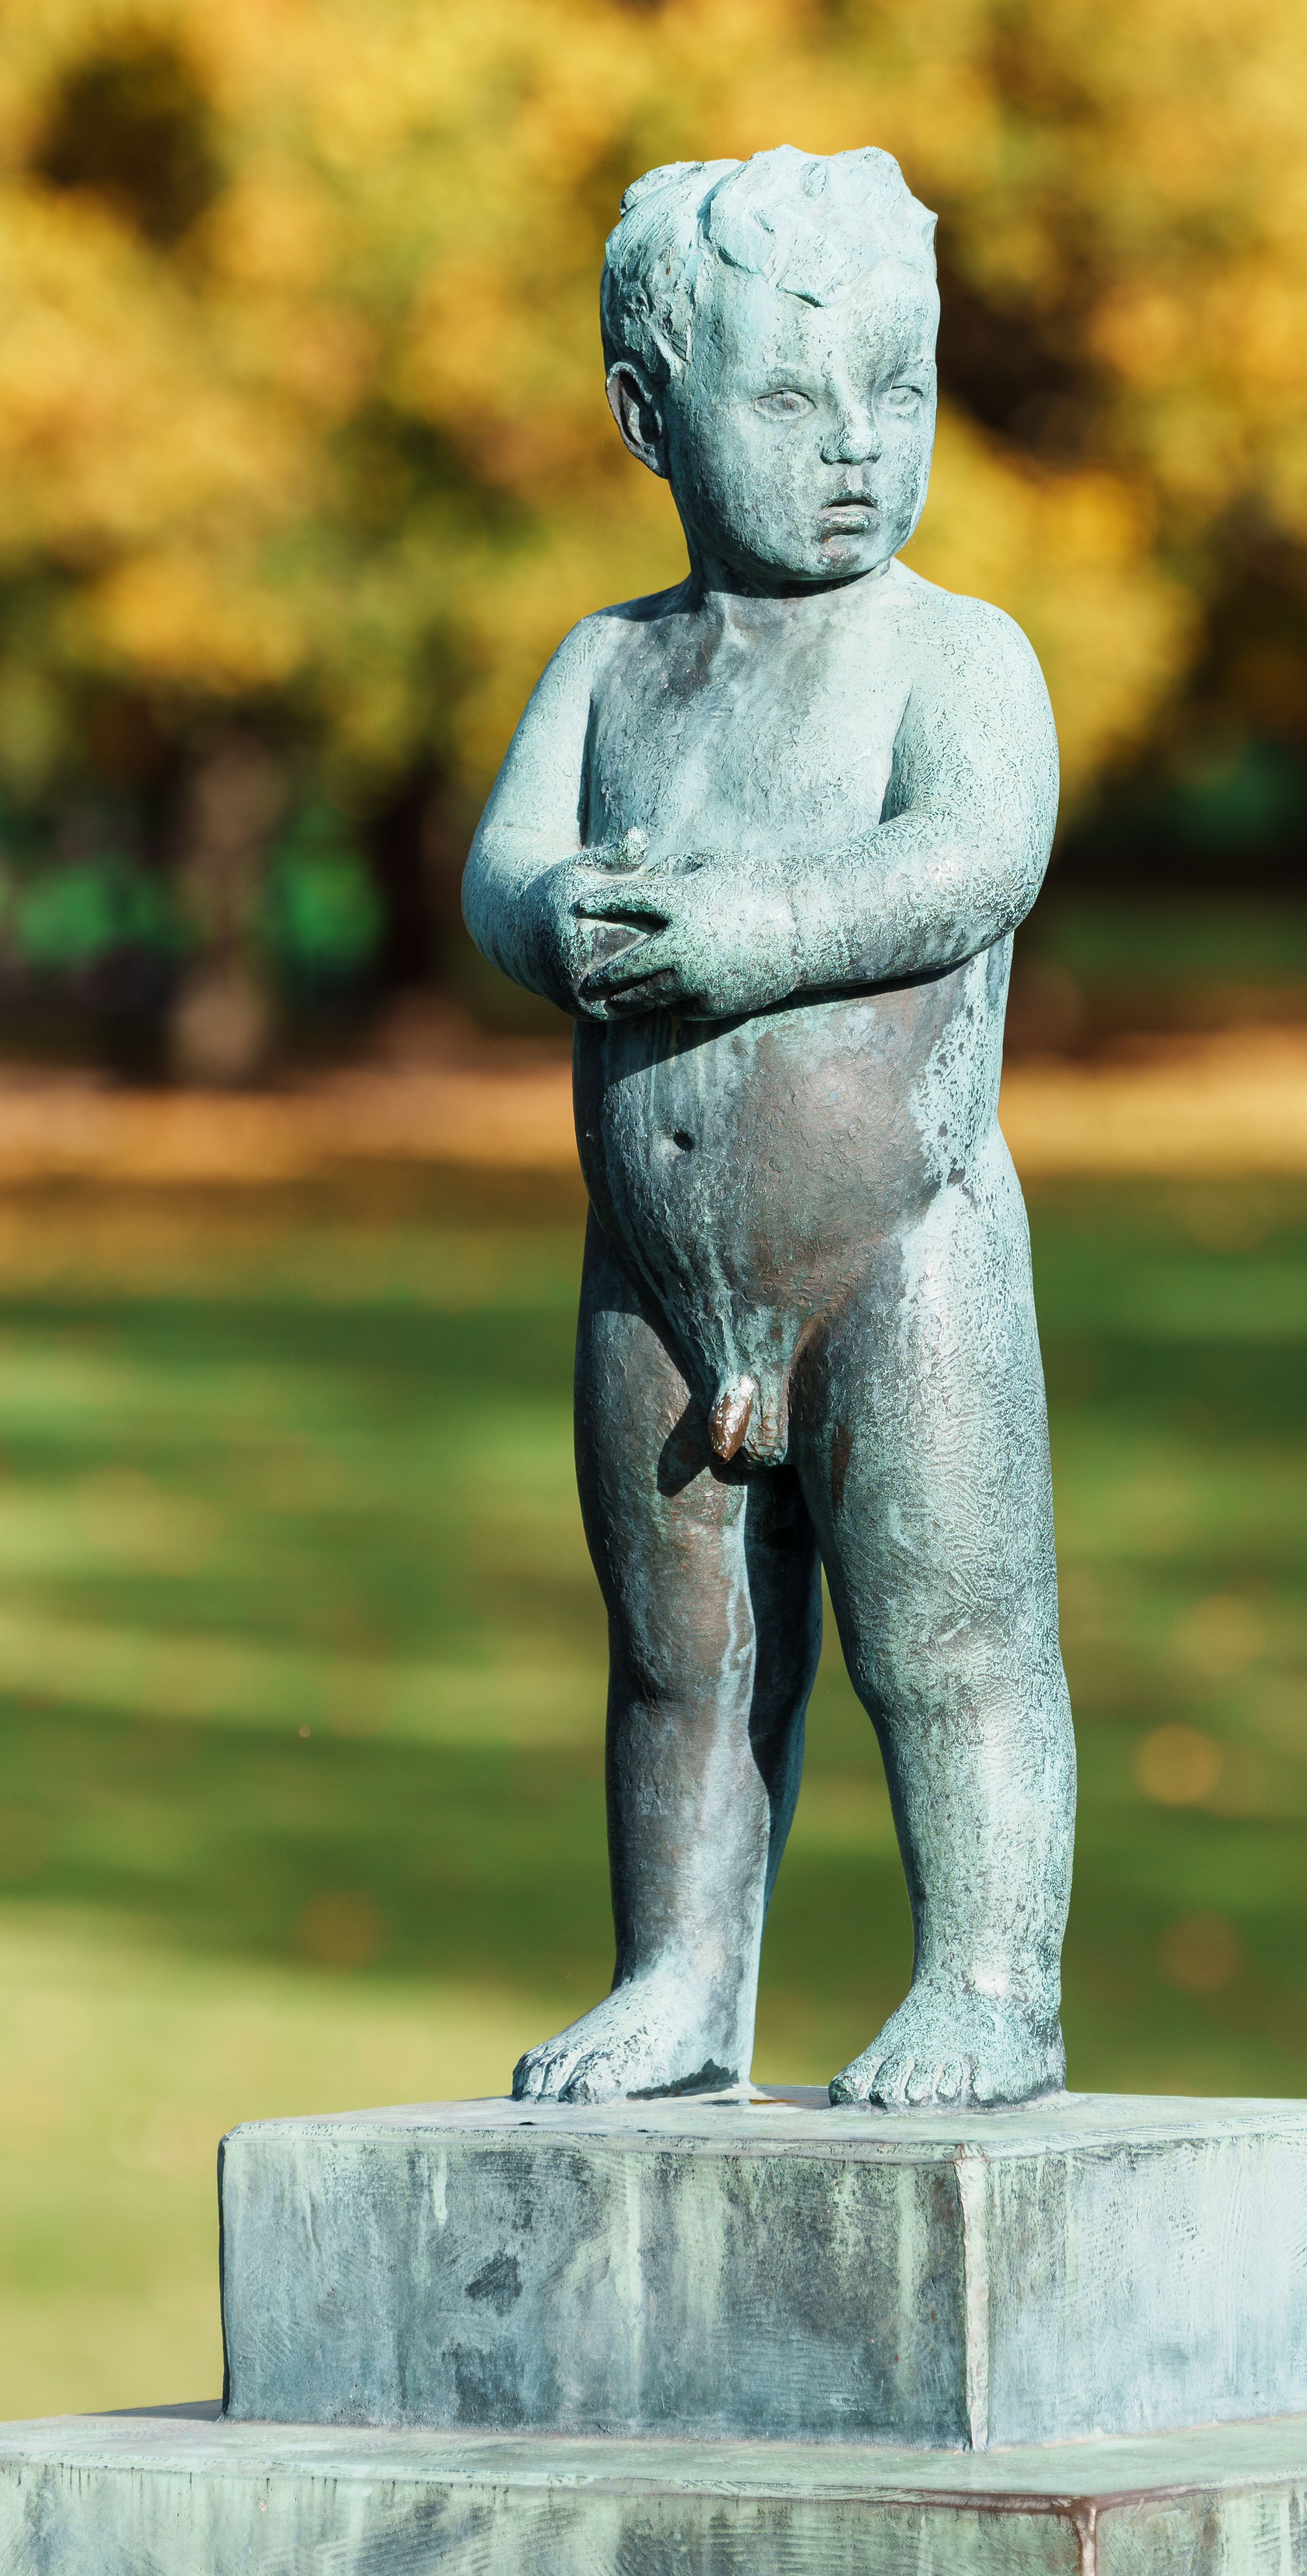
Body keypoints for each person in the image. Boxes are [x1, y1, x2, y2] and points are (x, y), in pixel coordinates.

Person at [463, 144, 1076, 2111]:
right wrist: (551, 913)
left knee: (949, 1636)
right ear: (650, 414)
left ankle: (991, 1981)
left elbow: (976, 855)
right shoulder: (610, 664)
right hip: (654, 1274)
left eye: (899, 390)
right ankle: (678, 1978)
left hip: (900, 1252)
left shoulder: (953, 655)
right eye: (794, 399)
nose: (858, 446)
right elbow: (500, 866)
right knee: (680, 1652)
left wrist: (759, 931)